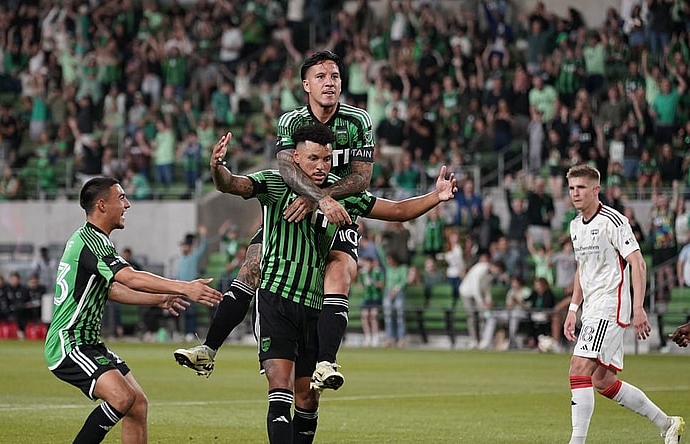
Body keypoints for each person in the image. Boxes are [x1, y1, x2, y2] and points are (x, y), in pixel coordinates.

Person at [206, 124, 456, 442]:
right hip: (275, 300)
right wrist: (217, 169)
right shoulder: (275, 181)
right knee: (279, 387)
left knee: (307, 399)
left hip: (314, 307)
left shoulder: (342, 193)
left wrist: (437, 196)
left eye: (326, 159)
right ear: (295, 157)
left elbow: (396, 211)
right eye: (313, 158)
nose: (321, 166)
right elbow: (233, 185)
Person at [175, 50, 377, 389]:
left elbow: (361, 178)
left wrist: (325, 200)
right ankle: (209, 349)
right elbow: (284, 169)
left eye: (335, 76)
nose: (329, 83)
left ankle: (326, 362)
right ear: (305, 84)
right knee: (250, 267)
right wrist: (317, 198)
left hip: (336, 214)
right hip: (293, 211)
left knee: (339, 272)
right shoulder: (290, 121)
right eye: (321, 77)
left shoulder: (358, 121)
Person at [43, 177, 221, 444]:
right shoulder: (92, 242)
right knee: (122, 398)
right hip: (69, 342)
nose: (127, 204)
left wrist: (159, 299)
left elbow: (111, 290)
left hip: (88, 342)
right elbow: (129, 277)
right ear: (102, 205)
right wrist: (184, 287)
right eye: (121, 198)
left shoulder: (90, 240)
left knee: (137, 404)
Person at [562, 164, 684, 444]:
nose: (575, 193)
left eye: (581, 187)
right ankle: (667, 424)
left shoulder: (613, 221)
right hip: (591, 309)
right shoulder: (575, 225)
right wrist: (572, 308)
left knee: (578, 369)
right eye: (571, 188)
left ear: (596, 189)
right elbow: (583, 268)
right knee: (602, 381)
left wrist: (638, 307)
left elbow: (637, 262)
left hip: (610, 306)